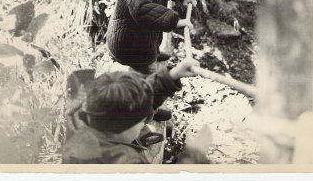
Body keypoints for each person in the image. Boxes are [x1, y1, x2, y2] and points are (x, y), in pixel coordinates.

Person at [62, 57, 212, 164]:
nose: (143, 125)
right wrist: (194, 156)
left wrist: (171, 75)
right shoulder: (125, 161)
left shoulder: (81, 118)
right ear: (121, 128)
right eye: (141, 121)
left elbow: (130, 99)